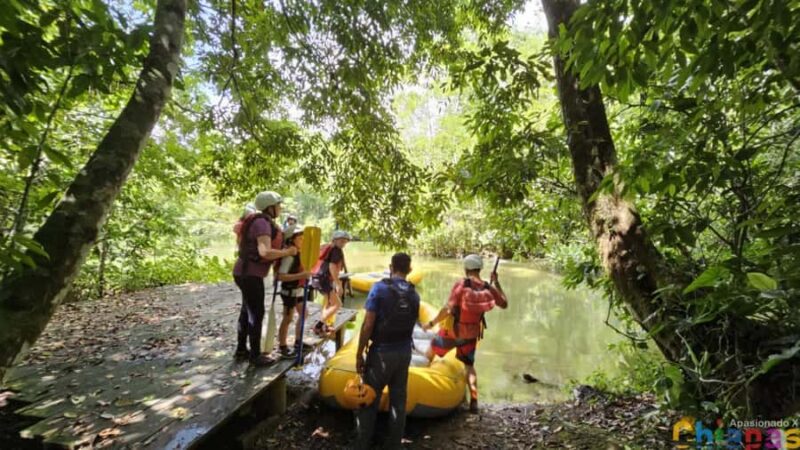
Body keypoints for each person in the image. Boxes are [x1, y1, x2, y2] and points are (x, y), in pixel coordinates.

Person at [422, 254, 508, 413]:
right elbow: (504, 303)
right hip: (471, 335)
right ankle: (474, 399)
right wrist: (496, 282)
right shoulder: (488, 288)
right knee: (469, 366)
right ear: (480, 268)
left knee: (432, 348)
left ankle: (423, 380)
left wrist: (431, 324)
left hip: (452, 333)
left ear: (466, 268)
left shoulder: (461, 285)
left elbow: (448, 309)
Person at [355, 253, 420, 450]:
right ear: (409, 270)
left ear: (391, 267)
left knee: (368, 400)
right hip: (404, 352)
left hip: (381, 353)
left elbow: (367, 325)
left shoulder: (379, 288)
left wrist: (359, 354)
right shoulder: (414, 294)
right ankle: (394, 445)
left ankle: (362, 444)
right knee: (398, 402)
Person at [232, 191, 297, 366]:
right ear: (270, 207)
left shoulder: (262, 221)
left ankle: (241, 350)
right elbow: (265, 252)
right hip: (249, 274)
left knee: (247, 311)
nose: (280, 208)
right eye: (278, 205)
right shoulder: (261, 224)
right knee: (256, 313)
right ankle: (255, 356)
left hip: (245, 273)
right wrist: (288, 252)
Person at [276, 224, 312, 359]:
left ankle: (298, 341)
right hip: (289, 291)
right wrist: (301, 276)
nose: (303, 241)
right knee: (288, 318)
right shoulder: (290, 256)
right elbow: (279, 276)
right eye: (300, 238)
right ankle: (283, 347)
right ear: (291, 240)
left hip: (299, 290)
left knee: (304, 313)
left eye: (304, 238)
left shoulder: (300, 253)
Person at [311, 230, 351, 336]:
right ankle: (318, 325)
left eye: (345, 241)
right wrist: (338, 284)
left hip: (317, 277)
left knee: (329, 303)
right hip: (323, 279)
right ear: (335, 240)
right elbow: (332, 267)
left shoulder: (328, 247)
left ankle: (324, 325)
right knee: (337, 304)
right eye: (341, 241)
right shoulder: (336, 250)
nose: (343, 244)